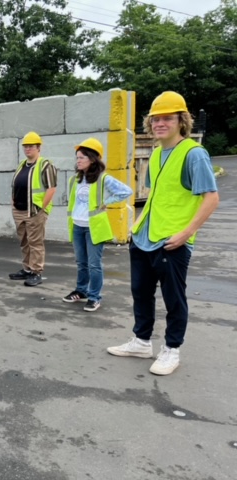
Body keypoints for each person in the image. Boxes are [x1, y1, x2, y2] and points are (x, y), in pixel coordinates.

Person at [107, 92, 219, 375]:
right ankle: (142, 342)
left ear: (182, 120)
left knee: (173, 298)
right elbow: (154, 196)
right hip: (144, 237)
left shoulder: (193, 154)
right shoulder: (156, 154)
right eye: (155, 119)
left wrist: (186, 233)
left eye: (167, 118)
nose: (160, 123)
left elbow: (211, 198)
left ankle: (171, 350)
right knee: (140, 293)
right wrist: (136, 228)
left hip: (172, 241)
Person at [64, 138, 133, 312]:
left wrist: (107, 202)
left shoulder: (103, 179)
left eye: (81, 157)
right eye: (77, 157)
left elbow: (126, 191)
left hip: (94, 227)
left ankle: (94, 297)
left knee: (94, 264)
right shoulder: (75, 179)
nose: (78, 161)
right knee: (81, 262)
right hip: (78, 226)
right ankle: (81, 291)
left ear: (93, 159)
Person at [8, 132, 57, 286]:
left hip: (34, 211)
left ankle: (36, 272)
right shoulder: (22, 165)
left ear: (38, 147)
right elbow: (14, 186)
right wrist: (13, 203)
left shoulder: (45, 165)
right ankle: (27, 269)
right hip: (19, 210)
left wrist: (40, 208)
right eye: (25, 146)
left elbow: (51, 188)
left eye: (31, 146)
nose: (27, 149)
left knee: (35, 242)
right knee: (24, 241)